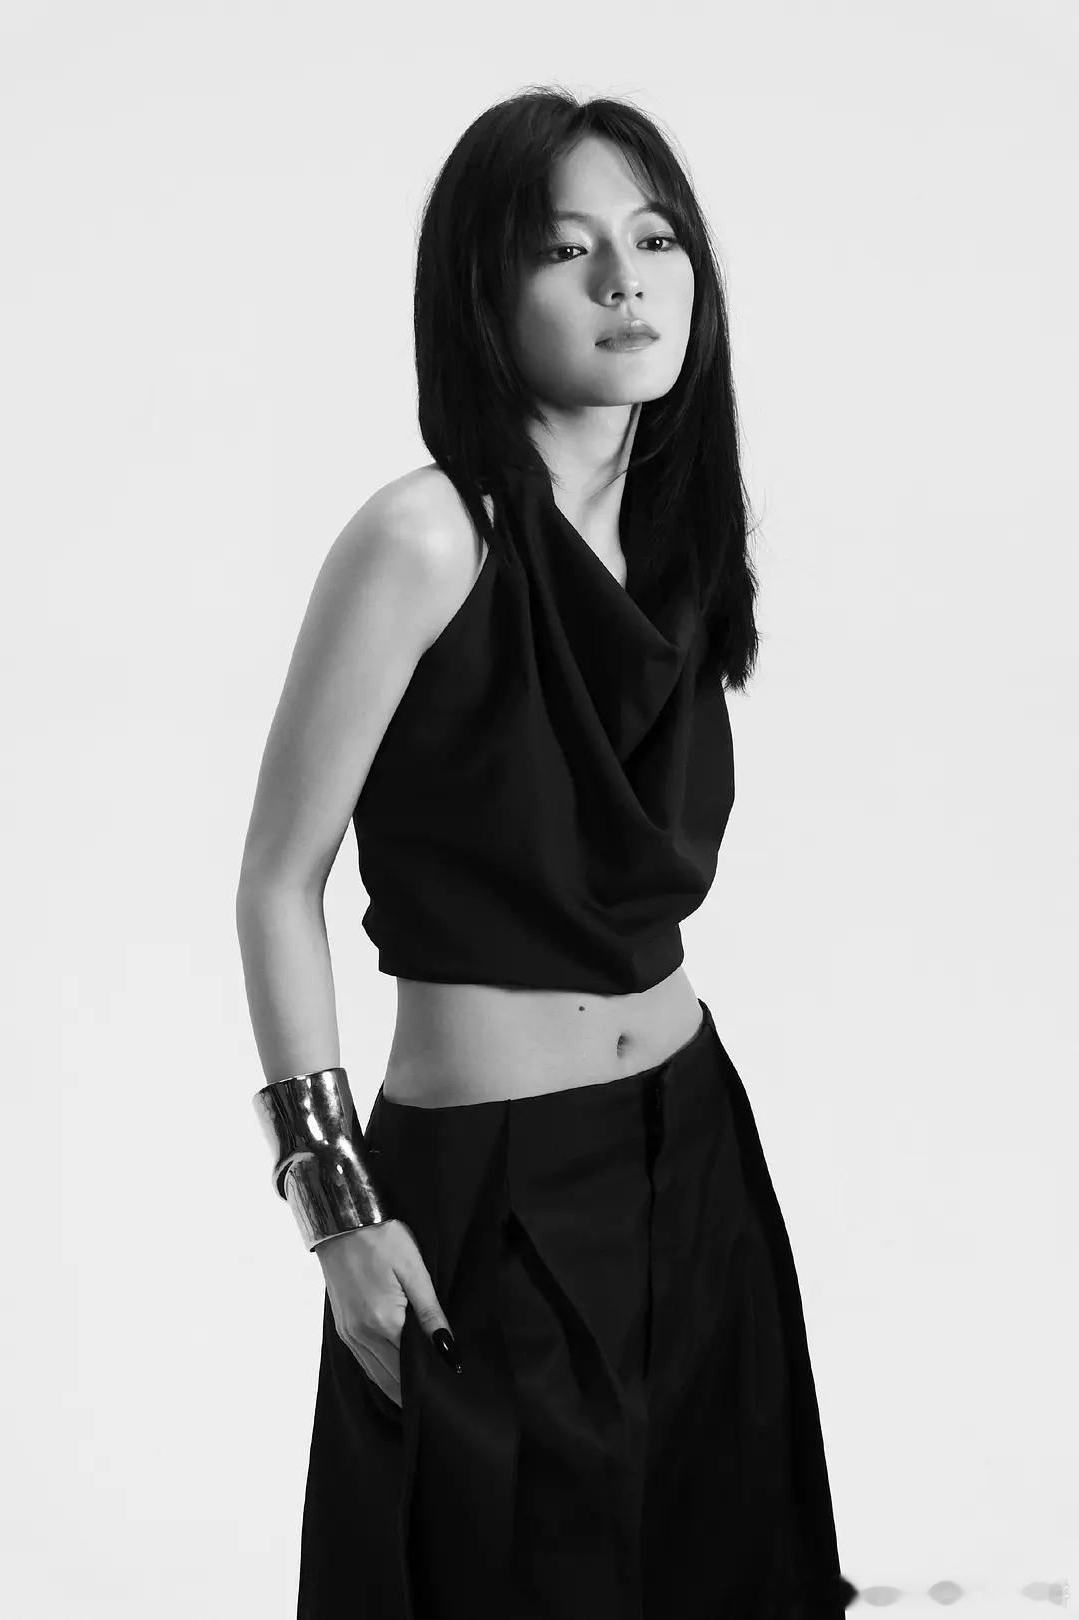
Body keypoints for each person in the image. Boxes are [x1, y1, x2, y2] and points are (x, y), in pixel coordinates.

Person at [237, 87, 858, 1620]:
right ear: (484, 290)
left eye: (655, 239)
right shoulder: (424, 540)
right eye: (566, 250)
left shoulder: (681, 537)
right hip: (490, 1184)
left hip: (693, 1147)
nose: (624, 282)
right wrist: (336, 1208)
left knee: (726, 1574)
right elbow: (275, 880)